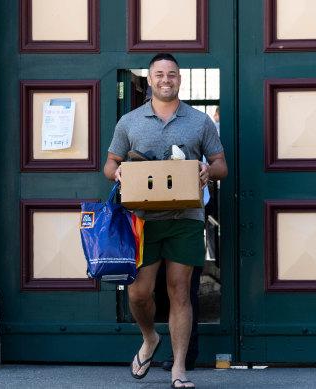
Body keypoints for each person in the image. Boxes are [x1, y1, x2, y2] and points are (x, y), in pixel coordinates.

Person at [104, 53, 227, 389]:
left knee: (181, 293)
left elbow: (221, 165)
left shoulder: (199, 121)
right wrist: (118, 173)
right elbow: (109, 164)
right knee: (138, 294)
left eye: (171, 74)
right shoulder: (129, 122)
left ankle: (179, 370)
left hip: (186, 218)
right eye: (159, 74)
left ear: (179, 80)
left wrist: (207, 170)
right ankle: (149, 339)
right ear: (150, 79)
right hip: (142, 220)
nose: (166, 80)